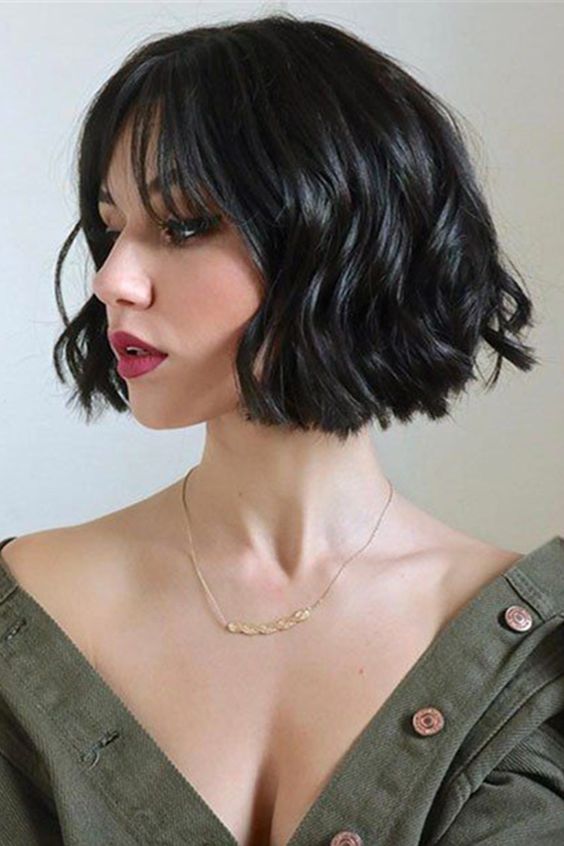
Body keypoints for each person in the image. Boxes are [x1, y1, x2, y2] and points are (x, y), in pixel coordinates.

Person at [1, 12, 563, 846]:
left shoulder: (531, 652)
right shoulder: (31, 609)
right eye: (112, 229)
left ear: (345, 237)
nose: (112, 280)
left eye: (183, 225)